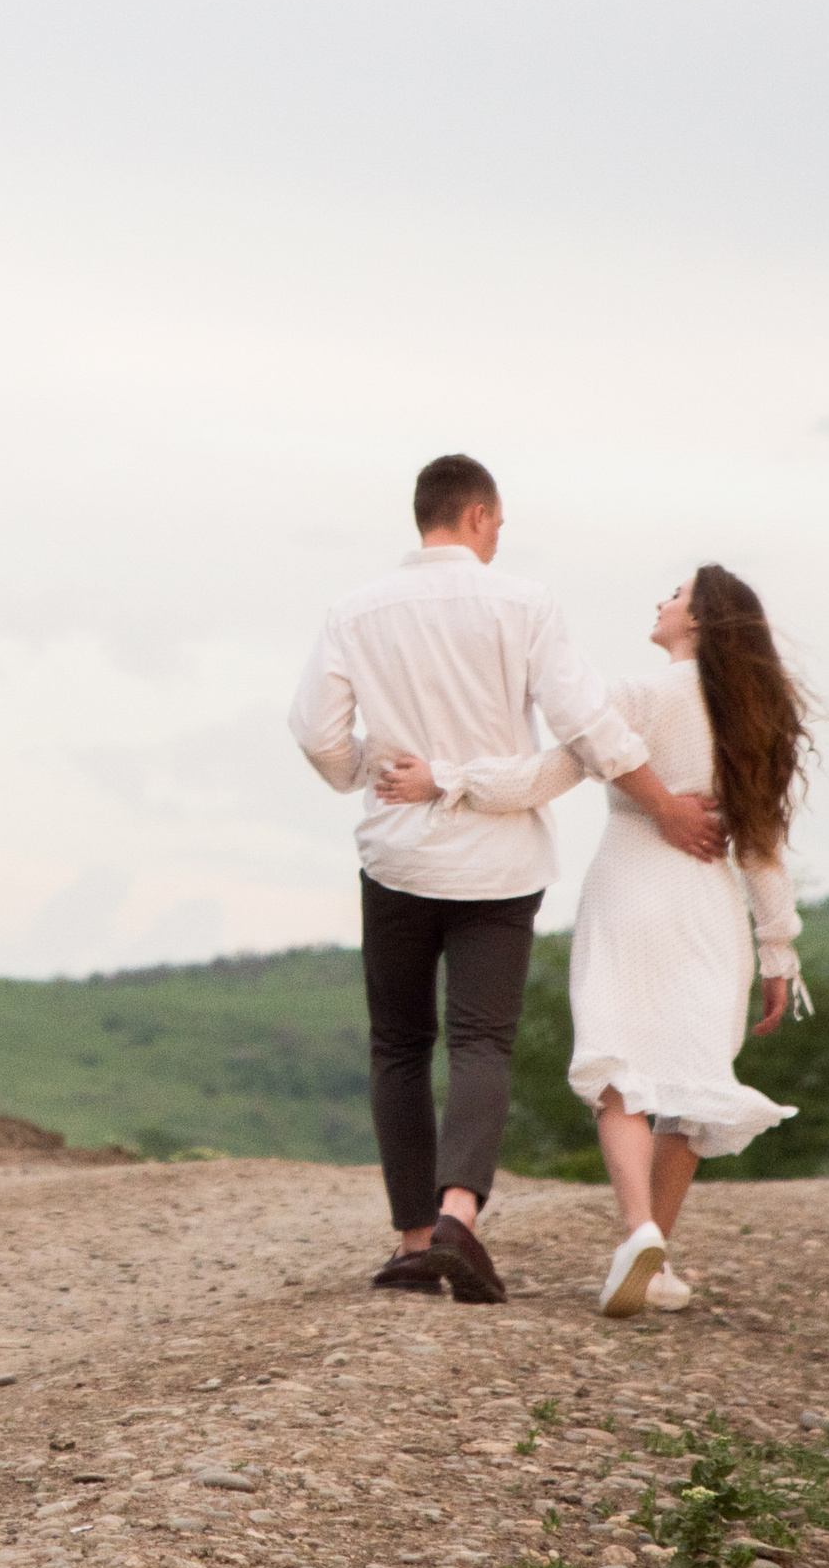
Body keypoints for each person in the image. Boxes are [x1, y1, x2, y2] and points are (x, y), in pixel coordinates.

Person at [288, 455, 726, 1304]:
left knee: (399, 1045)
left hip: (397, 853)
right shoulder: (524, 603)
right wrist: (665, 804)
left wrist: (357, 772)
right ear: (481, 517)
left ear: (426, 516)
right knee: (481, 1042)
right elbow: (585, 723)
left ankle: (414, 1241)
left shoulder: (355, 610)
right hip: (498, 862)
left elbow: (313, 730)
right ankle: (460, 1218)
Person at [375, 563, 813, 1318]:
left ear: (701, 619)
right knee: (690, 1084)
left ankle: (640, 1230)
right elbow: (765, 850)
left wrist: (442, 777)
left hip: (632, 891)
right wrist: (779, 950)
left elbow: (543, 777)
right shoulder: (755, 718)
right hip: (709, 907)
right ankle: (653, 1256)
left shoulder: (640, 696)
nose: (660, 601)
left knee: (622, 1071)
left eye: (675, 595)